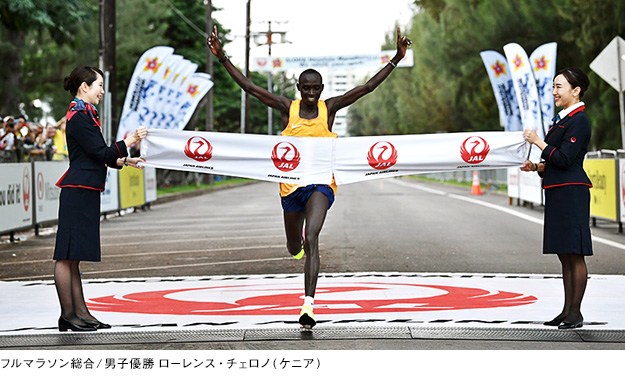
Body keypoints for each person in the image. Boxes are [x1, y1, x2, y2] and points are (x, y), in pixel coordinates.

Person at [207, 25, 412, 328]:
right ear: (300, 89)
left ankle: (309, 307)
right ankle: (297, 247)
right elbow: (250, 88)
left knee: (312, 236)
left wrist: (396, 58)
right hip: (291, 188)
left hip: (321, 184)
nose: (312, 93)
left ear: (322, 89)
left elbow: (367, 88)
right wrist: (222, 56)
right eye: (307, 88)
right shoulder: (285, 108)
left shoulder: (329, 109)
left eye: (317, 89)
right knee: (294, 246)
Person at [53, 65, 147, 332]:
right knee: (65, 255)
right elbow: (100, 152)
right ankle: (68, 315)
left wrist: (126, 160)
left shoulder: (83, 114)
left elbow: (96, 155)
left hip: (84, 189)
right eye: (99, 86)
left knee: (74, 256)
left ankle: (81, 313)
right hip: (78, 190)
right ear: (85, 86)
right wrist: (129, 140)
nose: (102, 92)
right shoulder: (80, 115)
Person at [521, 67, 592, 330]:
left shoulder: (579, 121)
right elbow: (555, 160)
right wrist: (536, 167)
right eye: (553, 86)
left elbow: (564, 158)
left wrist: (538, 142)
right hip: (557, 189)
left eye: (559, 87)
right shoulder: (561, 119)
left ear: (576, 91)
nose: (554, 92)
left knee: (575, 253)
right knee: (564, 253)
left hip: (572, 192)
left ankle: (576, 312)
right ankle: (567, 310)